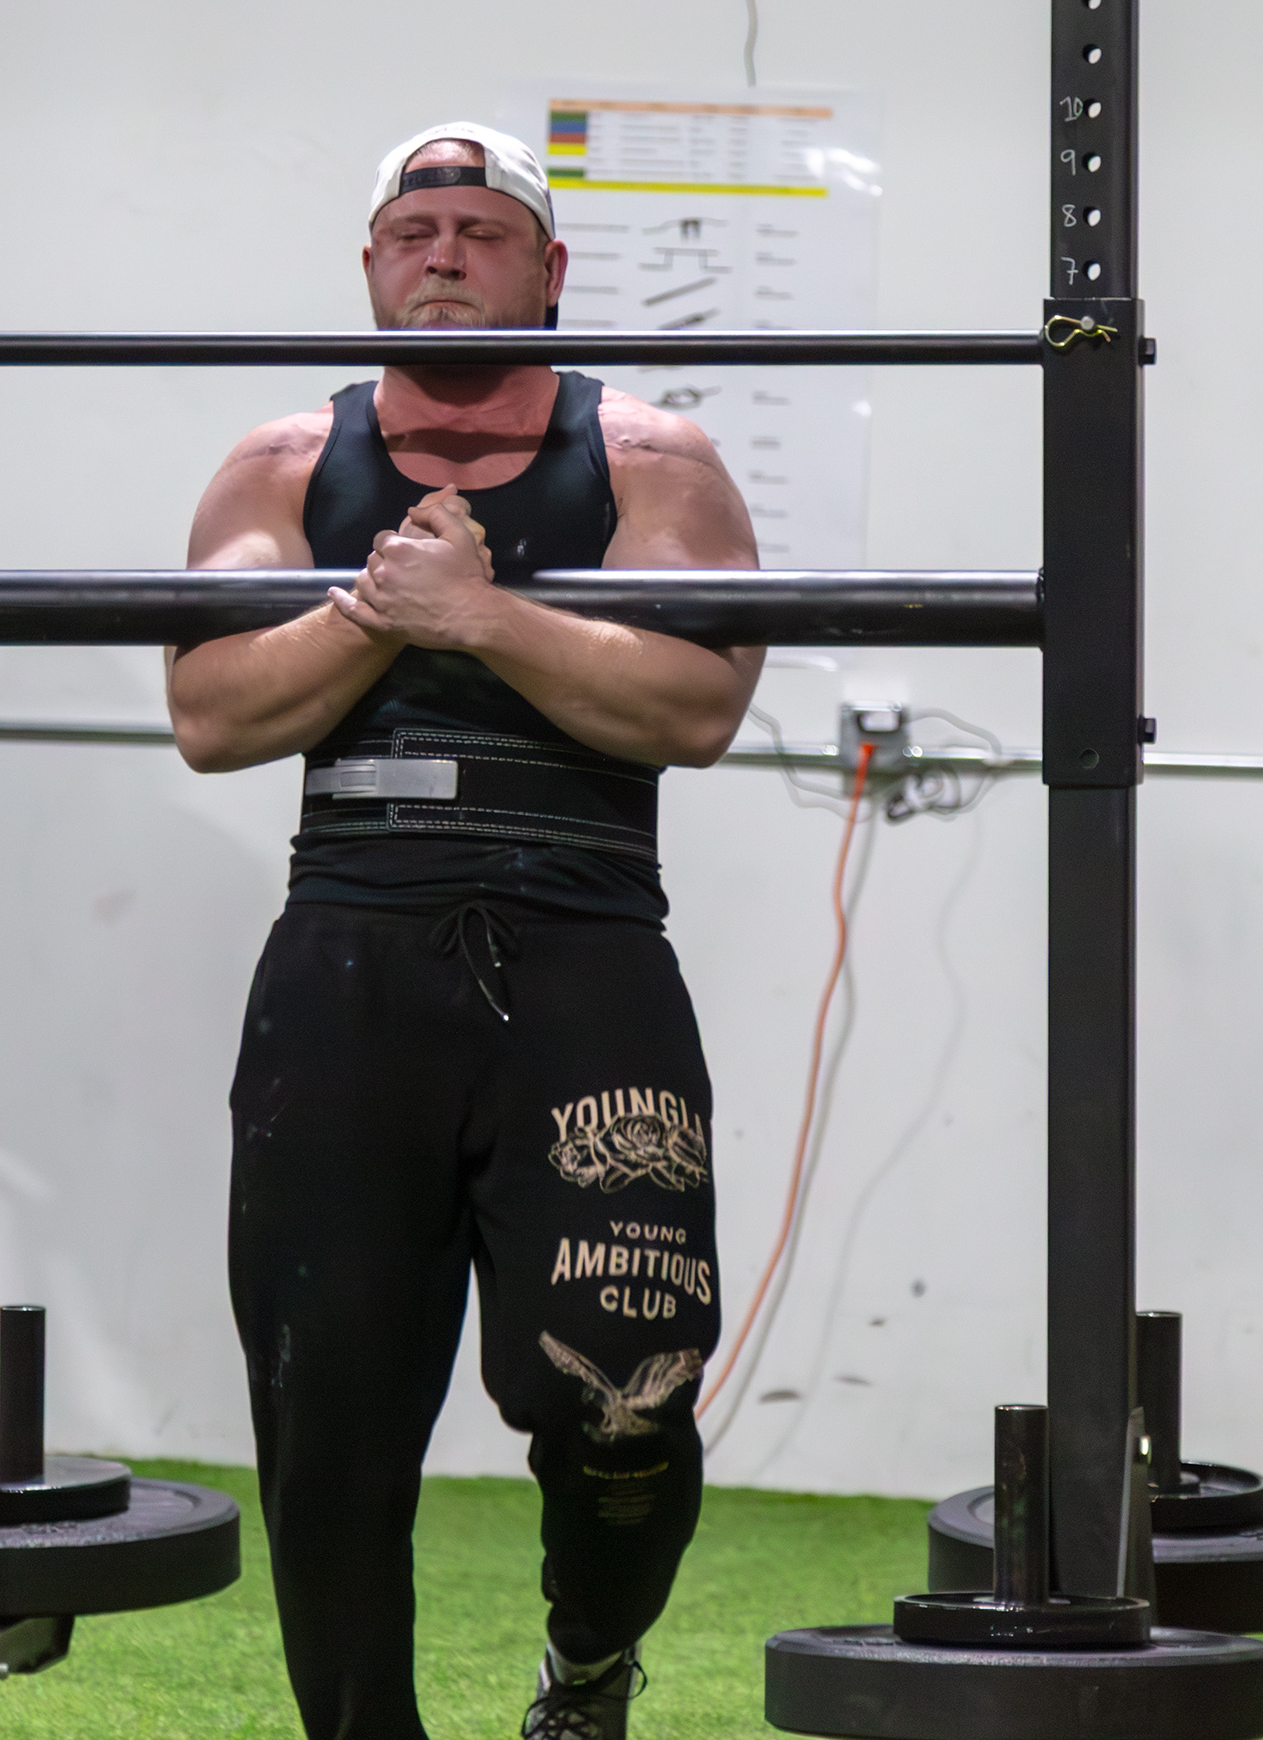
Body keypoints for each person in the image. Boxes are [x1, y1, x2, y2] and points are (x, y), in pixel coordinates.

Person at [169, 125, 765, 1740]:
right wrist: (387, 608)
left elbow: (695, 706)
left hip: (584, 948)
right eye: (411, 230)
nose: (442, 255)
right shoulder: (283, 461)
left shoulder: (650, 457)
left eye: (481, 231)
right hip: (350, 951)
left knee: (624, 1391)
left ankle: (591, 1662)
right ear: (369, 266)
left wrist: (481, 616)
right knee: (326, 1419)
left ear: (550, 270)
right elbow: (213, 713)